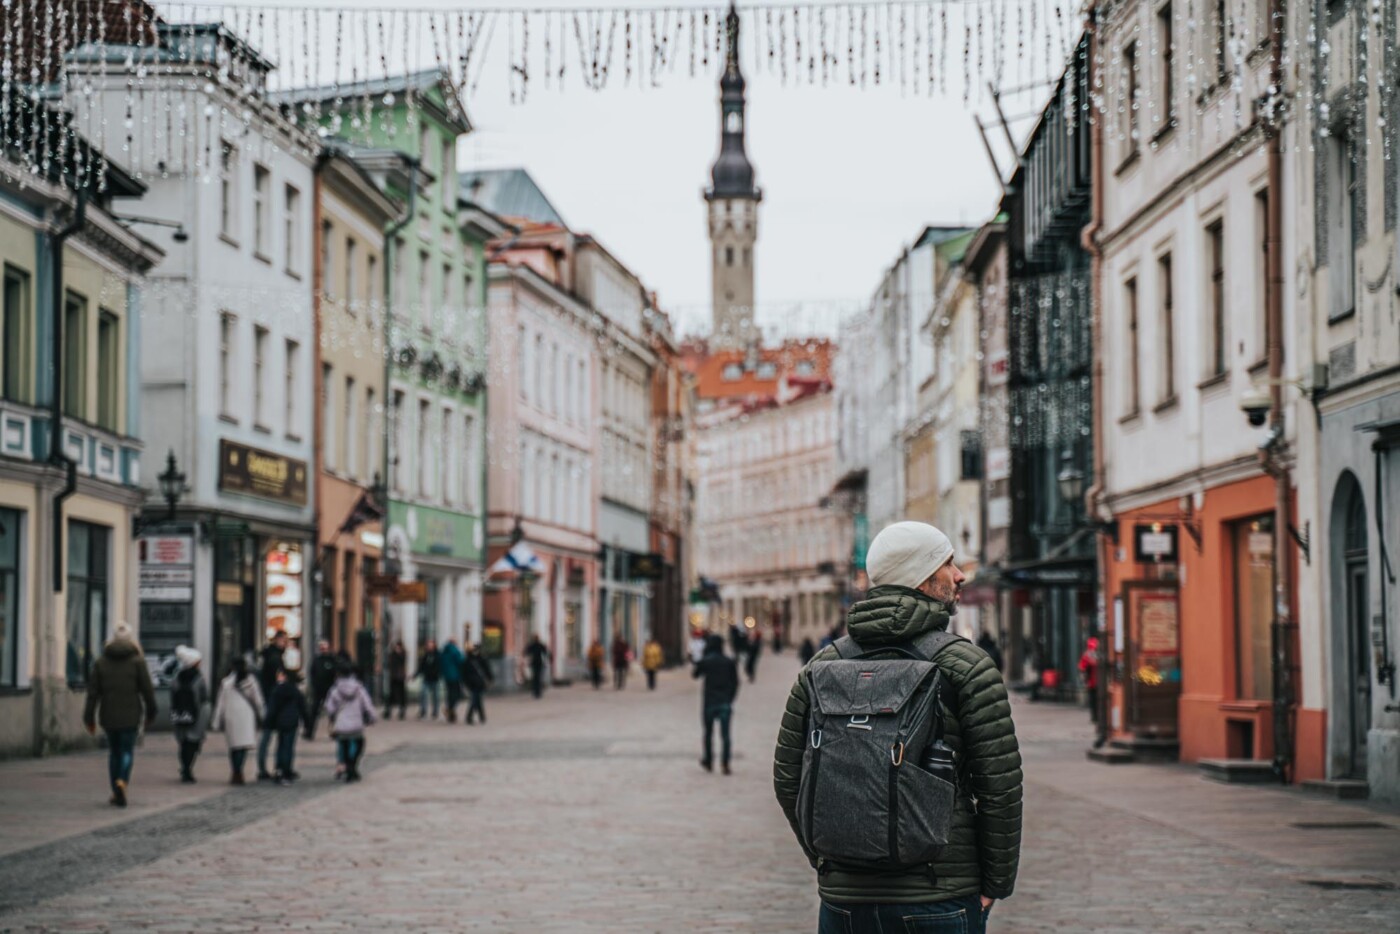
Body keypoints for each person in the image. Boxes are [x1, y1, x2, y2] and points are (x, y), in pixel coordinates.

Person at [773, 521, 1022, 934]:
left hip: (844, 903)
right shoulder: (967, 667)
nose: (960, 575)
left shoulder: (820, 668)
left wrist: (829, 860)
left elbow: (788, 779)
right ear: (921, 578)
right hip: (939, 896)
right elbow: (1000, 789)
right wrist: (994, 884)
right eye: (947, 564)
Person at [82, 622, 157, 807]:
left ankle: (116, 791)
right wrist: (151, 713)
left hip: (108, 715)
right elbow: (147, 690)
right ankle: (122, 780)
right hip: (131, 716)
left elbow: (93, 694)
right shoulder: (137, 662)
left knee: (114, 753)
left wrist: (89, 718)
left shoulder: (101, 662)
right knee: (126, 751)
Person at [211, 656, 264, 785]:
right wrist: (263, 715)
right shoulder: (251, 681)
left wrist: (216, 721)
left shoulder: (226, 682)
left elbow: (220, 703)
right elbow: (258, 701)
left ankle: (235, 770)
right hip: (246, 715)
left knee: (234, 746)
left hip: (231, 715)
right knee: (243, 745)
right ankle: (239, 770)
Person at [692, 634, 739, 775]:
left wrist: (701, 657)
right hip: (724, 702)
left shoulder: (707, 661)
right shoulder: (729, 662)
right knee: (725, 735)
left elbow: (695, 674)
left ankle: (708, 760)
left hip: (709, 702)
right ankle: (725, 763)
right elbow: (736, 682)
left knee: (708, 733)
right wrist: (730, 698)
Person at [324, 659, 376, 782]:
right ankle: (352, 767)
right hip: (356, 724)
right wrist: (372, 717)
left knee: (344, 746)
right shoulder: (358, 688)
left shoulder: (335, 690)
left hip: (342, 725)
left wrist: (332, 716)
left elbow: (329, 707)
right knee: (360, 744)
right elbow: (367, 704)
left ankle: (347, 768)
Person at [170, 645, 209, 783]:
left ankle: (184, 767)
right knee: (193, 744)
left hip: (180, 715)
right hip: (196, 715)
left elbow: (172, 693)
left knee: (183, 743)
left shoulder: (177, 677)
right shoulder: (198, 678)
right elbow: (204, 696)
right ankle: (188, 769)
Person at [264, 669, 311, 785]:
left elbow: (272, 708)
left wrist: (269, 722)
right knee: (288, 747)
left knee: (280, 746)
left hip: (280, 722)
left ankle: (279, 769)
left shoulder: (278, 690)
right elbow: (303, 708)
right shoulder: (296, 691)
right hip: (292, 721)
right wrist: (307, 723)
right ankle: (286, 770)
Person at [255, 630, 288, 780]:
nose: (285, 644)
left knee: (267, 736)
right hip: (273, 701)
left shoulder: (269, 655)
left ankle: (264, 767)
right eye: (283, 641)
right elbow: (278, 681)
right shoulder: (275, 658)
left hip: (268, 699)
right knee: (271, 736)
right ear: (277, 640)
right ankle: (276, 767)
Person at [305, 639, 337, 739]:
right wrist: (314, 685)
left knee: (332, 712)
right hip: (318, 690)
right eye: (322, 647)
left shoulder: (332, 659)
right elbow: (312, 673)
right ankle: (309, 732)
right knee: (313, 711)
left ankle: (334, 731)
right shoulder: (316, 660)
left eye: (325, 647)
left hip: (330, 690)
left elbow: (335, 673)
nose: (323, 649)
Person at [463, 643, 494, 724]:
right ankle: (473, 717)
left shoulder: (479, 659)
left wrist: (490, 678)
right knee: (476, 699)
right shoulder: (469, 659)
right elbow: (464, 673)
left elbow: (487, 669)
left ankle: (479, 717)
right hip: (475, 683)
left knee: (476, 699)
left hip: (479, 683)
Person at [440, 638, 466, 723]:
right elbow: (461, 661)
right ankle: (450, 709)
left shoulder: (443, 651)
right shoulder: (455, 651)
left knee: (450, 693)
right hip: (455, 676)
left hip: (446, 676)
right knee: (457, 694)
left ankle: (450, 712)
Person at [416, 639, 441, 720]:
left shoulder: (438, 655)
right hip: (426, 678)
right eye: (428, 645)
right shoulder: (426, 655)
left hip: (435, 679)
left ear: (434, 645)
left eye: (431, 645)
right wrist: (415, 675)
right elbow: (421, 667)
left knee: (436, 697)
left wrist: (438, 673)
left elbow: (440, 666)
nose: (430, 647)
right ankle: (423, 711)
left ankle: (435, 712)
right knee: (423, 694)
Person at [385, 639, 408, 720]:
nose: (397, 648)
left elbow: (403, 661)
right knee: (391, 694)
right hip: (393, 676)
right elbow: (389, 664)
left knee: (402, 694)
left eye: (398, 647)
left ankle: (402, 711)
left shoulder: (403, 654)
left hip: (400, 677)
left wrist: (398, 654)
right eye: (396, 647)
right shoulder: (392, 654)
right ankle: (388, 710)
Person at [1079, 636, 1100, 724]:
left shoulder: (1087, 654)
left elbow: (1082, 667)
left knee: (1094, 701)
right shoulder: (1096, 654)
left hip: (1092, 682)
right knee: (1097, 700)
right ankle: (1096, 717)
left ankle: (1095, 717)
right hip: (1096, 682)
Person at [524, 635, 551, 699]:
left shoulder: (532, 645)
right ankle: (538, 692)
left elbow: (526, 652)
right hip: (539, 663)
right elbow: (545, 652)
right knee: (538, 678)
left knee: (535, 678)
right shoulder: (540, 645)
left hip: (534, 663)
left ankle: (535, 692)